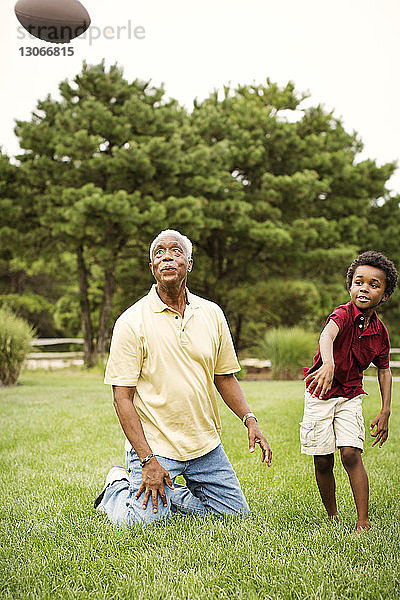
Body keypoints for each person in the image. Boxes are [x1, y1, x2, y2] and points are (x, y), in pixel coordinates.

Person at [95, 229, 272, 526]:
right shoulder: (131, 321)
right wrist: (148, 460)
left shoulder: (212, 313)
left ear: (189, 264)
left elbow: (225, 378)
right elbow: (121, 397)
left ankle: (172, 494)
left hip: (204, 446)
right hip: (156, 448)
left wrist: (250, 420)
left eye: (176, 251)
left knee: (235, 517)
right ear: (152, 268)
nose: (167, 256)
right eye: (159, 253)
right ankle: (116, 487)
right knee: (140, 525)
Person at [301, 250, 398, 532]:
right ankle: (332, 516)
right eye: (359, 282)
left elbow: (384, 369)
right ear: (350, 286)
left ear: (386, 294)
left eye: (373, 284)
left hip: (351, 395)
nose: (364, 288)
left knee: (350, 453)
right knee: (322, 459)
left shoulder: (380, 332)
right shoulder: (342, 314)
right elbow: (327, 335)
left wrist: (385, 409)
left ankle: (362, 522)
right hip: (320, 393)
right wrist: (328, 363)